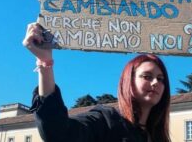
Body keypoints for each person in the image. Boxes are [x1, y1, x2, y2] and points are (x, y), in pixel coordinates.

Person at [23, 22, 171, 142]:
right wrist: (44, 62)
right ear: (129, 82)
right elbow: (58, 133)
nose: (155, 83)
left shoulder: (159, 136)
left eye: (160, 79)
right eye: (147, 76)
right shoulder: (106, 121)